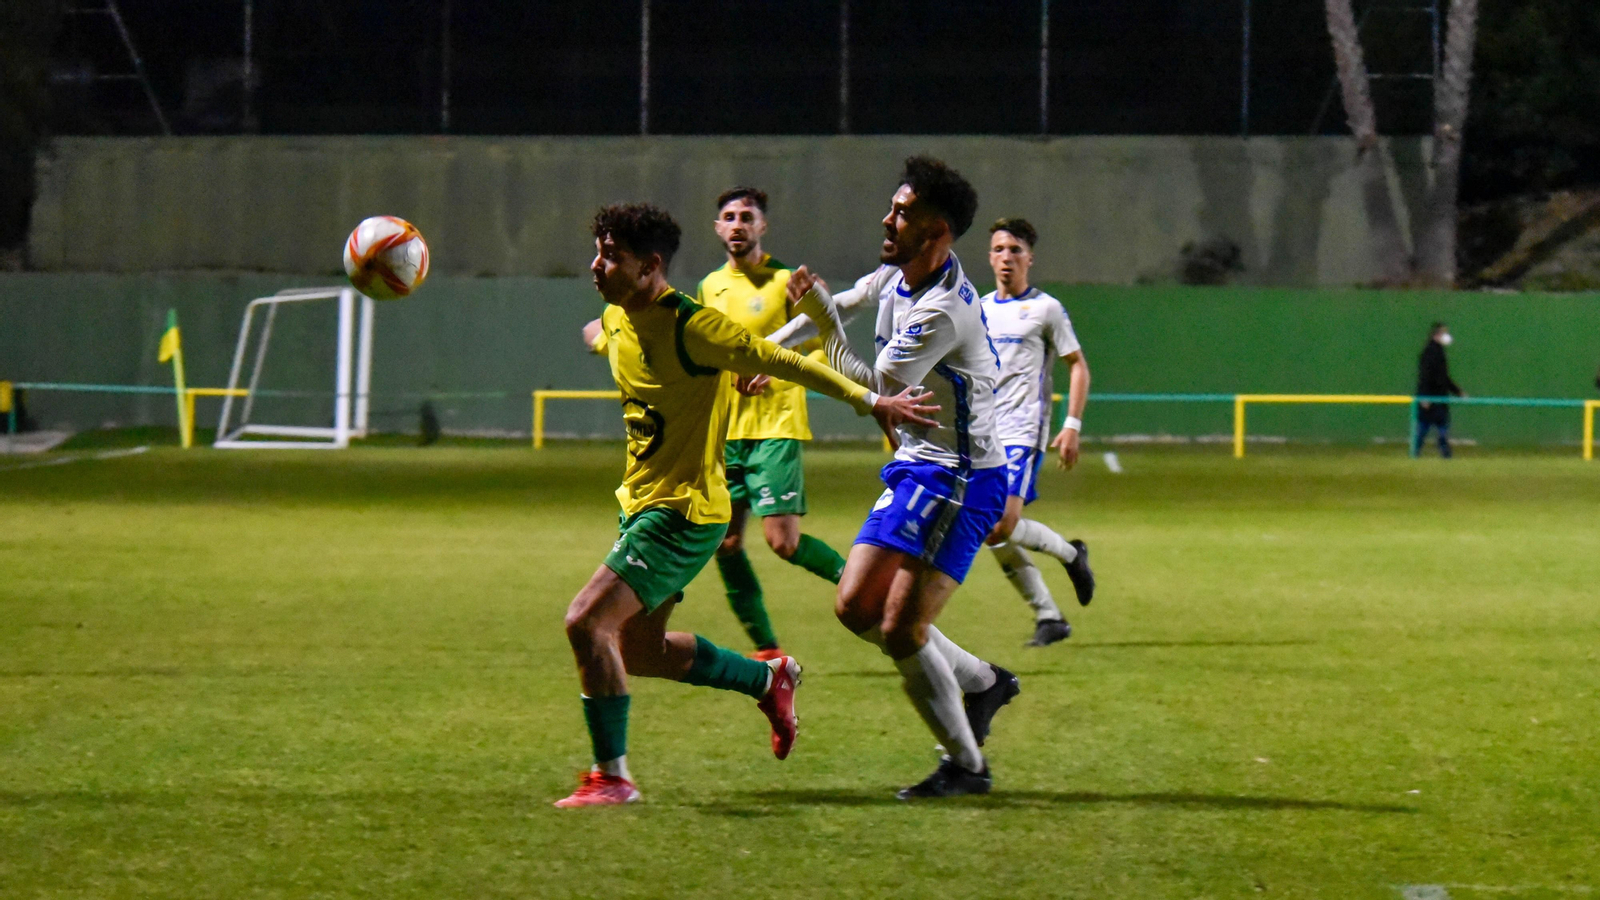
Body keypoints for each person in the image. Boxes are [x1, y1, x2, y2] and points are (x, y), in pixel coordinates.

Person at [559, 203, 936, 808]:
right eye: (598, 251)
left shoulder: (693, 326)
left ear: (651, 266)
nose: (596, 266)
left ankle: (614, 777)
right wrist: (594, 334)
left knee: (586, 621)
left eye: (611, 256)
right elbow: (605, 333)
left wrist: (874, 402)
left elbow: (782, 360)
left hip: (681, 513)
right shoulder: (616, 314)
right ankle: (768, 678)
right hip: (640, 503)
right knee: (637, 650)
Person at [780, 156, 1020, 799]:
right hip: (919, 466)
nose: (888, 219)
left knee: (901, 629)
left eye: (903, 213)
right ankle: (984, 682)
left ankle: (967, 767)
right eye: (892, 207)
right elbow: (843, 304)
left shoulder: (942, 310)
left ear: (936, 231)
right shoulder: (899, 272)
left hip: (964, 479)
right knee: (856, 606)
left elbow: (875, 389)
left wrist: (821, 329)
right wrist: (768, 352)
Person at [695, 187, 851, 661]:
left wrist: (786, 355)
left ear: (762, 227)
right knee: (725, 543)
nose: (738, 223)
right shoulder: (709, 287)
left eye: (747, 216)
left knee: (782, 541)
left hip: (776, 424)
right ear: (718, 228)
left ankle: (863, 584)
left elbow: (825, 340)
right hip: (726, 432)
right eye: (728, 216)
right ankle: (766, 649)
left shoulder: (788, 281)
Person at [978, 218, 1096, 647]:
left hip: (1023, 431)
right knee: (989, 529)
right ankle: (1051, 612)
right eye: (998, 249)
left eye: (1014, 250)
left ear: (1029, 258)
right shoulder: (980, 308)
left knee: (1001, 523)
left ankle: (1069, 559)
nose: (1006, 257)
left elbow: (1078, 365)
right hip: (980, 433)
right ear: (989, 257)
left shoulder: (1046, 308)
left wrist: (1072, 425)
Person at [1414, 321, 1464, 459]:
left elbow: (1443, 377)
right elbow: (1424, 376)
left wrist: (1457, 391)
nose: (1447, 336)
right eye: (1444, 333)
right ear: (1437, 334)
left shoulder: (1440, 352)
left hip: (1441, 398)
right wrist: (1424, 397)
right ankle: (1415, 453)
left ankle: (1446, 455)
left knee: (1442, 429)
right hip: (1431, 399)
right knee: (1423, 429)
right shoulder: (1429, 353)